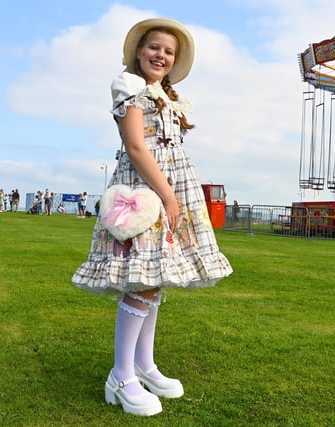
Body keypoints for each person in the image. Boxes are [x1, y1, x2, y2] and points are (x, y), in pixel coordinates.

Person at [72, 18, 232, 417]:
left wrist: (176, 194)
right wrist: (167, 196)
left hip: (171, 187)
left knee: (155, 279)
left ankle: (144, 364)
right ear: (139, 52)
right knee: (141, 280)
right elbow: (136, 148)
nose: (160, 55)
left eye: (168, 51)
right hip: (146, 190)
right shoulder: (129, 89)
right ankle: (122, 375)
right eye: (154, 48)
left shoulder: (164, 96)